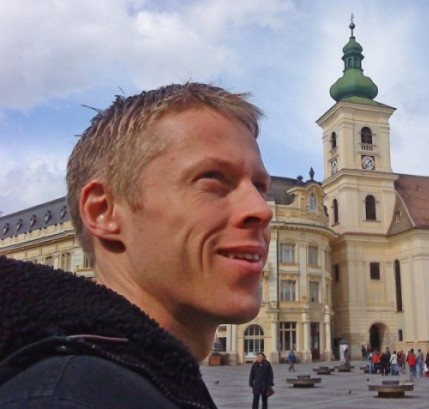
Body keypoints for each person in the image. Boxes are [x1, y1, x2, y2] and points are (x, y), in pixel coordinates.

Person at [0, 83, 273, 407]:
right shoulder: (67, 399)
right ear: (104, 212)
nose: (262, 209)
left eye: (259, 186)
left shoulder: (140, 382)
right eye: (213, 177)